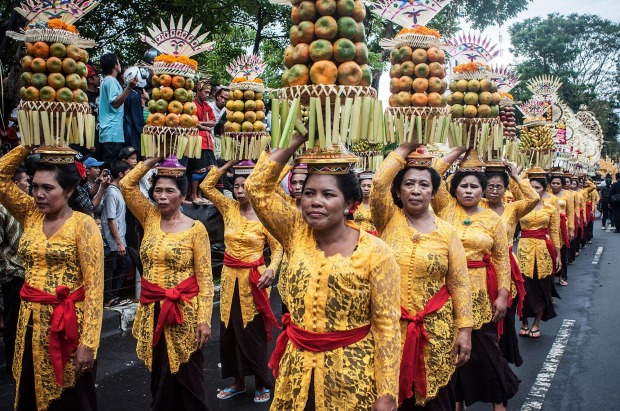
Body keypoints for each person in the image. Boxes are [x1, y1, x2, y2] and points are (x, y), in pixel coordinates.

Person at [245, 134, 401, 411]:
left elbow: (387, 326)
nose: (315, 201)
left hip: (352, 376)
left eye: (328, 194)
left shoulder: (376, 251)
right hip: (297, 370)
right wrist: (295, 142)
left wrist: (387, 392)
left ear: (349, 204)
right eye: (309, 193)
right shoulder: (294, 233)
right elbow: (256, 187)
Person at [0, 145, 104, 410]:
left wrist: (88, 343)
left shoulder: (84, 225)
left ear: (68, 191)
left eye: (48, 188)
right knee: (29, 393)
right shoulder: (30, 215)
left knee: (71, 397)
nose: (39, 194)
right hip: (28, 324)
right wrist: (28, 146)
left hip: (70, 329)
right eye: (35, 187)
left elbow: (95, 289)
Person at [371, 142, 473, 410]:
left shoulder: (448, 232)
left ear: (434, 191)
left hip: (436, 332)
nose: (416, 191)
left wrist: (465, 330)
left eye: (424, 185)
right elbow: (379, 183)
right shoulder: (386, 219)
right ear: (398, 189)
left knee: (434, 399)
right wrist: (405, 147)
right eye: (409, 184)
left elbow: (459, 283)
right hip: (389, 331)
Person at [120, 157, 214, 410]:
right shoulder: (149, 218)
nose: (162, 196)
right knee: (159, 377)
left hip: (185, 314)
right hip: (152, 310)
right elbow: (127, 185)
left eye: (169, 191)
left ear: (183, 195)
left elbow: (205, 279)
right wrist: (151, 160)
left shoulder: (196, 229)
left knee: (188, 378)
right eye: (157, 190)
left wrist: (205, 320)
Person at [430, 147, 517, 411]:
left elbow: (502, 258)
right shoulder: (444, 208)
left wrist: (503, 294)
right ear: (454, 190)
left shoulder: (493, 219)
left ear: (483, 191)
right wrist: (458, 151)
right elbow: (433, 172)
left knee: (486, 351)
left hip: (481, 292)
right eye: (463, 186)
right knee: (449, 348)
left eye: (474, 187)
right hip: (446, 290)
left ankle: (498, 402)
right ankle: (457, 402)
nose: (468, 191)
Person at [200, 161, 283, 404]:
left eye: (244, 186)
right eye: (236, 186)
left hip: (254, 281)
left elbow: (277, 248)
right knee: (230, 332)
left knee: (253, 333)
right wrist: (230, 163)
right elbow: (206, 186)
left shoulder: (265, 215)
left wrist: (271, 268)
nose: (239, 190)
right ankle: (237, 382)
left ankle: (261, 382)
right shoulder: (229, 208)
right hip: (229, 278)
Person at [517, 173, 562, 338]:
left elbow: (555, 232)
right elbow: (515, 184)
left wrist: (557, 255)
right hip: (524, 250)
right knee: (524, 288)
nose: (535, 190)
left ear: (544, 188)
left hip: (543, 250)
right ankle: (524, 323)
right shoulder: (521, 205)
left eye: (538, 187)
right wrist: (519, 173)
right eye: (531, 187)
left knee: (542, 288)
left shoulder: (550, 207)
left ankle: (536, 323)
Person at [0, 167, 28, 376]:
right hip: (13, 274)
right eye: (27, 181)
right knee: (14, 323)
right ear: (15, 184)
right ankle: (13, 365)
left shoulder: (29, 206)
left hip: (29, 274)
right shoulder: (2, 209)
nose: (29, 185)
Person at [98, 53, 138, 164]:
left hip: (111, 132)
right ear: (115, 66)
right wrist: (129, 88)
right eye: (118, 62)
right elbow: (115, 103)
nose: (120, 64)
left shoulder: (108, 81)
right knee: (111, 165)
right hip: (112, 132)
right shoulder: (110, 81)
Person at [102, 160, 132, 307]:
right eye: (128, 173)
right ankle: (109, 297)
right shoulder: (111, 193)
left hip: (119, 238)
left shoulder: (118, 191)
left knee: (122, 265)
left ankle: (113, 295)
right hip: (113, 239)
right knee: (112, 267)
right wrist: (119, 242)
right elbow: (111, 219)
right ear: (120, 174)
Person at [190, 80, 217, 205]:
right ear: (198, 91)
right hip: (196, 141)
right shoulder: (191, 104)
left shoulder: (207, 106)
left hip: (207, 141)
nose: (207, 95)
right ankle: (193, 194)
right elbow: (191, 121)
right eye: (205, 92)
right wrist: (205, 127)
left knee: (207, 170)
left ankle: (200, 194)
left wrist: (201, 124)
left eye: (208, 92)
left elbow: (213, 122)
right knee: (198, 169)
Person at [549, 173, 575, 285]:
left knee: (562, 252)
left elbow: (570, 213)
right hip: (549, 226)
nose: (555, 185)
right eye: (553, 183)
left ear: (562, 184)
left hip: (562, 227)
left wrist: (571, 229)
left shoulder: (567, 196)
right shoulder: (547, 195)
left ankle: (562, 277)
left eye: (557, 183)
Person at [121, 67, 147, 158]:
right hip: (133, 137)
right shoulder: (134, 96)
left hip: (125, 134)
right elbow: (138, 121)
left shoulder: (125, 92)